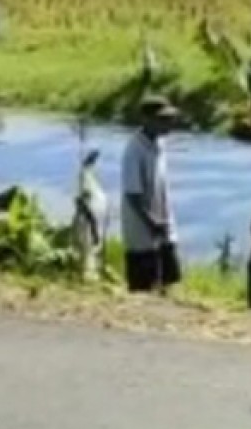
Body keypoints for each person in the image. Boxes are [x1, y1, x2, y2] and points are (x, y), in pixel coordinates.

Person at [121, 96, 182, 294]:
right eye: (162, 119)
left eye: (169, 119)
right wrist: (151, 222)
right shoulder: (134, 150)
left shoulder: (159, 144)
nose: (169, 124)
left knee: (169, 276)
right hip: (143, 226)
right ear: (146, 120)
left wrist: (162, 221)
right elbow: (133, 195)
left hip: (162, 222)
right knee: (143, 285)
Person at [72, 149, 107, 281]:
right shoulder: (84, 177)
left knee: (86, 249)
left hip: (86, 218)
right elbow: (84, 204)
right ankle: (86, 277)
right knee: (87, 249)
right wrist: (94, 227)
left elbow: (81, 201)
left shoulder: (85, 175)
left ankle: (85, 275)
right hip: (86, 220)